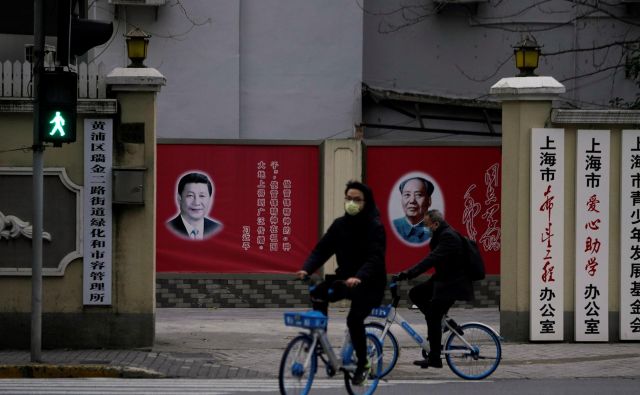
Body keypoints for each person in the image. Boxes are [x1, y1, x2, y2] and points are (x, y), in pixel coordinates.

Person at [296, 181, 387, 386]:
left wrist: (360, 276)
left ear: (366, 202)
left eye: (357, 199)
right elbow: (322, 249)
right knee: (318, 292)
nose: (351, 203)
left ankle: (363, 364)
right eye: (348, 198)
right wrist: (307, 269)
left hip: (370, 284)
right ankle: (321, 340)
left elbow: (375, 258)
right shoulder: (340, 225)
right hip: (345, 280)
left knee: (354, 320)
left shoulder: (375, 226)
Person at [393, 209, 474, 368]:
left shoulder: (448, 237)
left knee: (433, 316)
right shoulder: (441, 234)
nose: (425, 228)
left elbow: (431, 259)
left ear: (436, 224)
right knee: (416, 293)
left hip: (454, 284)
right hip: (444, 279)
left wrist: (408, 273)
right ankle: (444, 323)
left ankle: (435, 358)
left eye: (427, 225)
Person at [167, 172, 222, 240]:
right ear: (179, 198)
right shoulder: (168, 228)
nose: (196, 203)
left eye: (202, 196)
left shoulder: (217, 228)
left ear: (210, 199)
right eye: (190, 195)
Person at [392, 176, 434, 244]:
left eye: (418, 195)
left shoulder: (436, 230)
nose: (412, 201)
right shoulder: (392, 227)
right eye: (407, 195)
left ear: (429, 201)